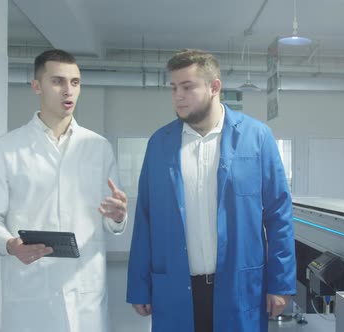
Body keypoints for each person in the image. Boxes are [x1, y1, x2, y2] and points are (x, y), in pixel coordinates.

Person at [126, 49, 296, 332]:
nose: (177, 96)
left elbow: (279, 216)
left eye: (187, 87)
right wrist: (139, 285)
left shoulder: (256, 138)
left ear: (214, 87)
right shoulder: (160, 144)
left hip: (238, 286)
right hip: (177, 287)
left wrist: (281, 283)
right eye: (174, 88)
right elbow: (145, 219)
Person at [0, 49, 128, 332]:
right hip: (30, 292)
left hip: (85, 294)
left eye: (75, 82)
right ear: (36, 86)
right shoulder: (6, 149)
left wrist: (117, 216)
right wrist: (9, 244)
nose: (68, 90)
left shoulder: (99, 147)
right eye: (57, 81)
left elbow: (111, 221)